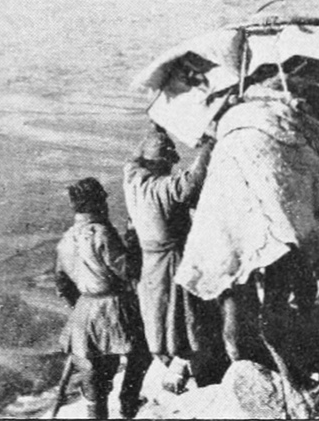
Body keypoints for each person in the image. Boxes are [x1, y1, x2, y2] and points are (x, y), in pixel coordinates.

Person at [123, 123, 224, 393]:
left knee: (160, 319)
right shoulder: (162, 189)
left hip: (150, 265)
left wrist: (157, 131)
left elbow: (135, 157)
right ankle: (185, 373)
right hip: (173, 262)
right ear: (162, 163)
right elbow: (192, 181)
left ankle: (176, 367)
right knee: (188, 320)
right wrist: (208, 146)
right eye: (169, 161)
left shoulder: (132, 179)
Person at [54, 178, 151, 420]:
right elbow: (128, 270)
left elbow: (62, 283)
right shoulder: (102, 233)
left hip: (85, 308)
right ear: (99, 203)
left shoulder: (66, 238)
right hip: (113, 306)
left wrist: (80, 308)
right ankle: (128, 404)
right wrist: (132, 239)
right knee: (141, 353)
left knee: (96, 373)